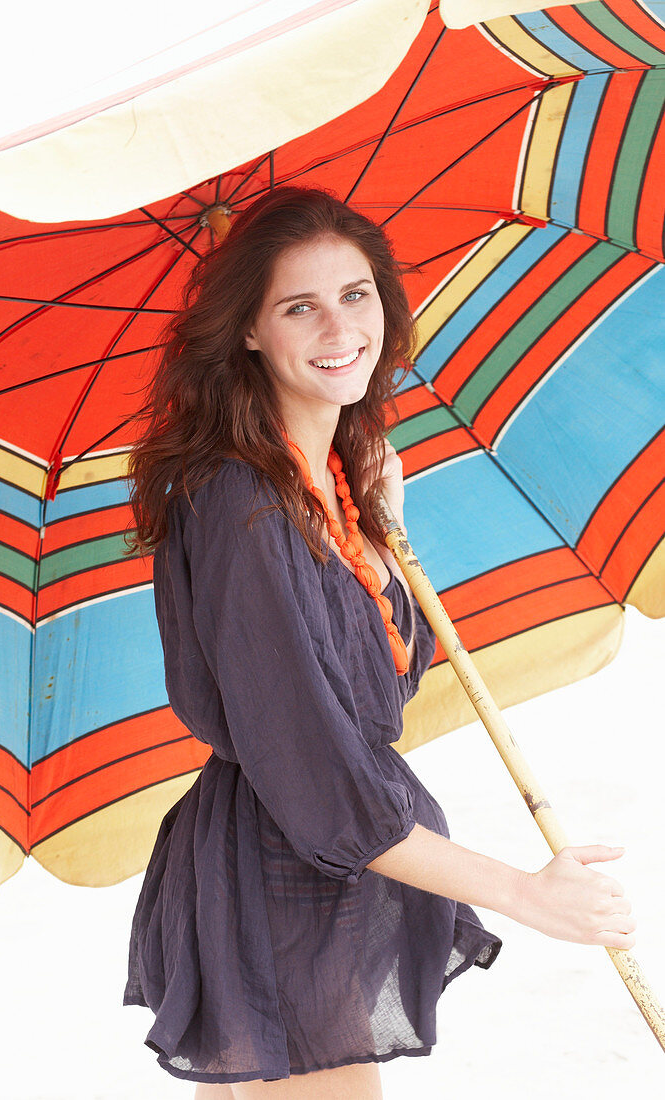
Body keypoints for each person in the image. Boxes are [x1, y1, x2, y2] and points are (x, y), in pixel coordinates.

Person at [122, 186, 636, 1099]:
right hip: (284, 872)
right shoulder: (241, 504)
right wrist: (526, 892)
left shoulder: (331, 488)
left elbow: (374, 703)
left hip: (312, 868)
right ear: (247, 332)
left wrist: (386, 543)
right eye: (298, 306)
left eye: (356, 294)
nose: (338, 326)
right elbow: (319, 770)